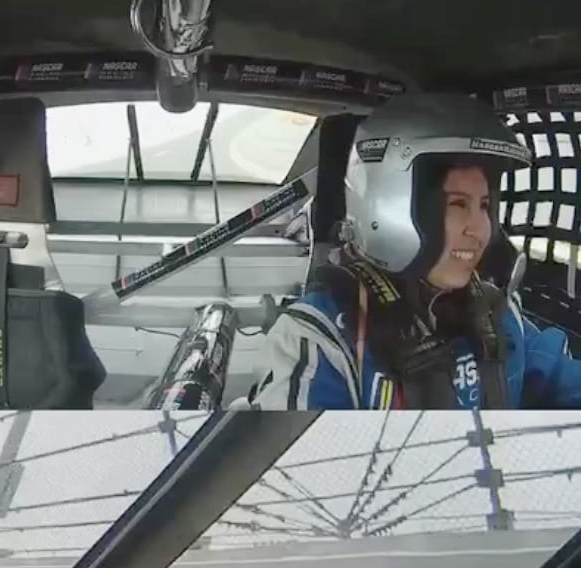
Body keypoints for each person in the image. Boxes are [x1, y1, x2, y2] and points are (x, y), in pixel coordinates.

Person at [249, 93, 581, 409]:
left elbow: (562, 378)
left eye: (484, 205)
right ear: (387, 204)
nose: (479, 229)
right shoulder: (319, 342)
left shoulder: (498, 317)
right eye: (456, 204)